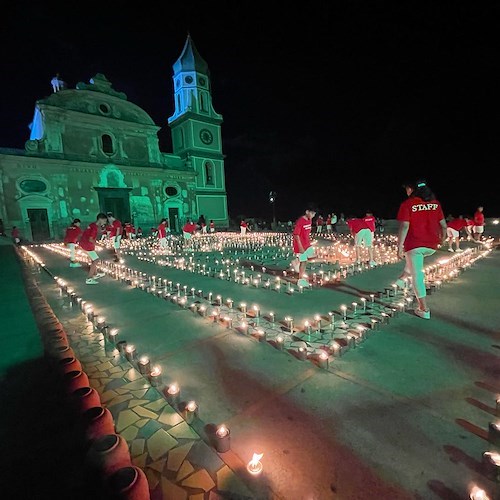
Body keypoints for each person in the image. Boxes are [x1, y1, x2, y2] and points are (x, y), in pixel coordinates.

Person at [396, 180, 447, 320]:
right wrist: (443, 238)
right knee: (413, 263)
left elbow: (404, 226)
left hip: (415, 244)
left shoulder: (408, 204)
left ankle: (424, 309)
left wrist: (399, 247)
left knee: (416, 274)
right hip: (431, 245)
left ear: (411, 189)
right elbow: (443, 225)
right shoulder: (435, 204)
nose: (406, 192)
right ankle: (401, 279)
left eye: (407, 188)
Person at [292, 203, 318, 288]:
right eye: (312, 213)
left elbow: (306, 233)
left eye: (314, 214)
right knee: (304, 261)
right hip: (300, 245)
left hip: (307, 243)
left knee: (313, 256)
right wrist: (300, 248)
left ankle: (296, 261)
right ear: (307, 212)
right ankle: (300, 280)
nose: (313, 216)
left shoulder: (309, 220)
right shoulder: (300, 221)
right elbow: (296, 235)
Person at [78, 213, 108, 285]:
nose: (105, 223)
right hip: (87, 245)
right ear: (100, 219)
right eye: (104, 221)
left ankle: (95, 274)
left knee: (93, 259)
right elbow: (91, 239)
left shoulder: (92, 225)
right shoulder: (94, 228)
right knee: (95, 260)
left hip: (84, 243)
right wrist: (99, 245)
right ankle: (89, 278)